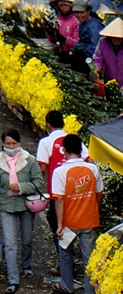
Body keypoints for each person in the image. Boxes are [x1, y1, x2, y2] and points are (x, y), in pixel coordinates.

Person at [51, 133, 104, 294]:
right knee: (89, 259)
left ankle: (67, 286)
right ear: (81, 149)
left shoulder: (60, 172)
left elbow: (59, 199)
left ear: (64, 151)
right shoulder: (93, 169)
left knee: (65, 252)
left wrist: (59, 224)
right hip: (89, 220)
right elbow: (99, 194)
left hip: (69, 223)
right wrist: (95, 211)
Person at [36, 109, 88, 267]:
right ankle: (73, 258)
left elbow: (42, 168)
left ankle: (65, 263)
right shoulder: (73, 140)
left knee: (57, 227)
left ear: (48, 125)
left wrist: (36, 185)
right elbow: (89, 159)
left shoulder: (45, 142)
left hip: (56, 193)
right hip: (77, 191)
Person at [0, 127, 46, 294]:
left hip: (25, 206)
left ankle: (26, 265)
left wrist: (21, 187)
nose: (11, 147)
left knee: (27, 238)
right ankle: (13, 279)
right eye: (7, 144)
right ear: (3, 145)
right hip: (6, 206)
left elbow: (39, 183)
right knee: (10, 243)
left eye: (14, 143)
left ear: (19, 143)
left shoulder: (29, 160)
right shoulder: (0, 162)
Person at [92, 16, 123, 87]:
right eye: (114, 37)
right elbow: (98, 59)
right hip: (109, 81)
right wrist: (97, 69)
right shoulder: (103, 43)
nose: (116, 40)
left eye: (119, 38)